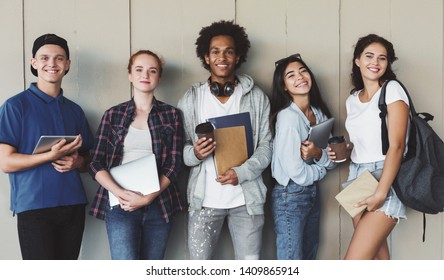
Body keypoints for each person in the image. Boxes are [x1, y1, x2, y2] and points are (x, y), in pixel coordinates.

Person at [177, 20, 272, 260]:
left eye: (229, 51)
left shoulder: (256, 97)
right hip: (204, 201)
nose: (222, 57)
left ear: (238, 56)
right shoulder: (191, 99)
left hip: (246, 201)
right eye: (215, 51)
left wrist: (241, 173)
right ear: (206, 57)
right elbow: (180, 151)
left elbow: (266, 147)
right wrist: (196, 154)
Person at [0, 33, 93, 260]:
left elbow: (89, 160)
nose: (52, 63)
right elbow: (6, 162)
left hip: (73, 205)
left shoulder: (75, 110)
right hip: (34, 207)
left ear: (67, 65)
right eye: (44, 58)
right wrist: (50, 156)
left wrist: (78, 161)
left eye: (59, 58)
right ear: (34, 63)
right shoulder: (15, 106)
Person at [88, 50, 184, 260]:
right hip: (120, 204)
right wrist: (120, 193)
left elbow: (174, 162)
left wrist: (148, 198)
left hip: (159, 204)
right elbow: (95, 162)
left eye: (152, 70)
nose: (145, 75)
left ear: (159, 77)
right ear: (130, 74)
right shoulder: (113, 115)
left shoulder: (172, 115)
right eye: (139, 69)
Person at [330, 34, 409, 259]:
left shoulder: (392, 89)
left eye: (382, 58)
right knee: (377, 261)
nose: (375, 62)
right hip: (358, 178)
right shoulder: (352, 99)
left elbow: (397, 145)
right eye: (369, 56)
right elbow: (360, 143)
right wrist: (342, 150)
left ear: (387, 64)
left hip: (385, 176)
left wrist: (382, 192)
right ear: (357, 60)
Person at [270, 54, 336, 260]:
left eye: (303, 71)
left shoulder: (319, 113)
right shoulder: (288, 117)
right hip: (290, 195)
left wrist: (317, 153)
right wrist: (321, 166)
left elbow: (333, 159)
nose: (300, 77)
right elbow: (296, 172)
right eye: (291, 75)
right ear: (284, 86)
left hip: (311, 193)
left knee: (308, 259)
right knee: (291, 263)